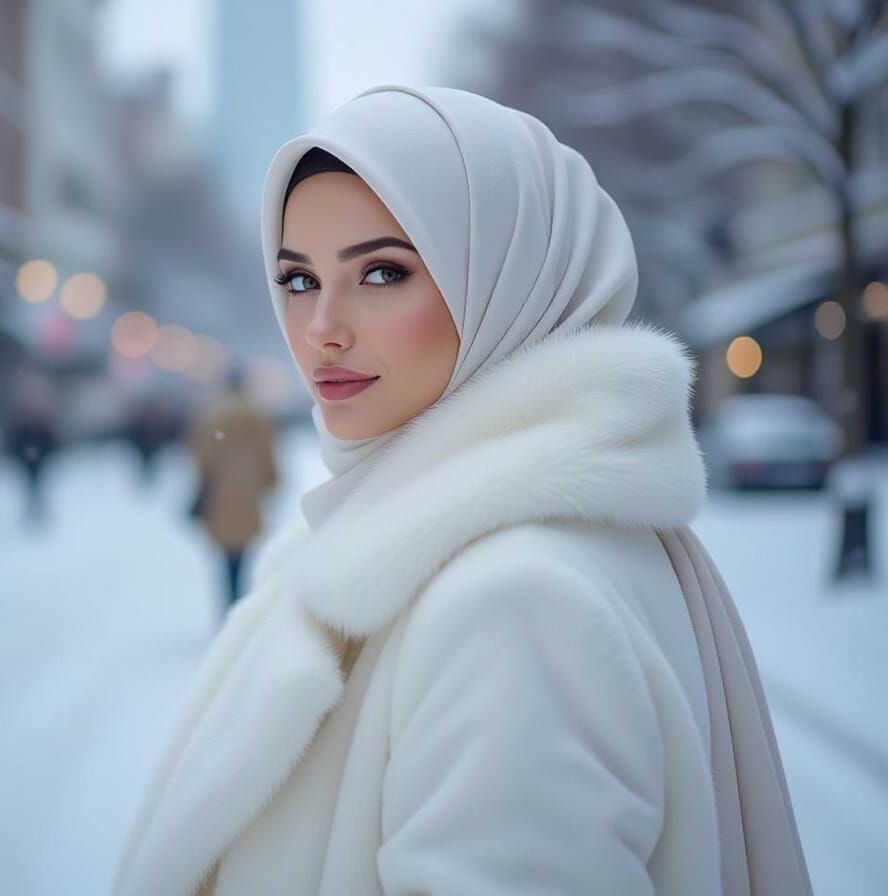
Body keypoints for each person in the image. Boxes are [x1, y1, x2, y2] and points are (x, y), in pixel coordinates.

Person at [113, 87, 813, 896]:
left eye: (382, 272)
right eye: (299, 280)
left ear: (510, 279)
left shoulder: (515, 604)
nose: (321, 328)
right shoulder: (494, 543)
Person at [187, 370, 277, 607]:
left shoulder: (213, 415)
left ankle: (229, 602)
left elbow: (201, 454)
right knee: (244, 550)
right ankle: (239, 600)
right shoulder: (255, 415)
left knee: (225, 553)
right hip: (248, 490)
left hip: (220, 492)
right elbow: (267, 453)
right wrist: (270, 480)